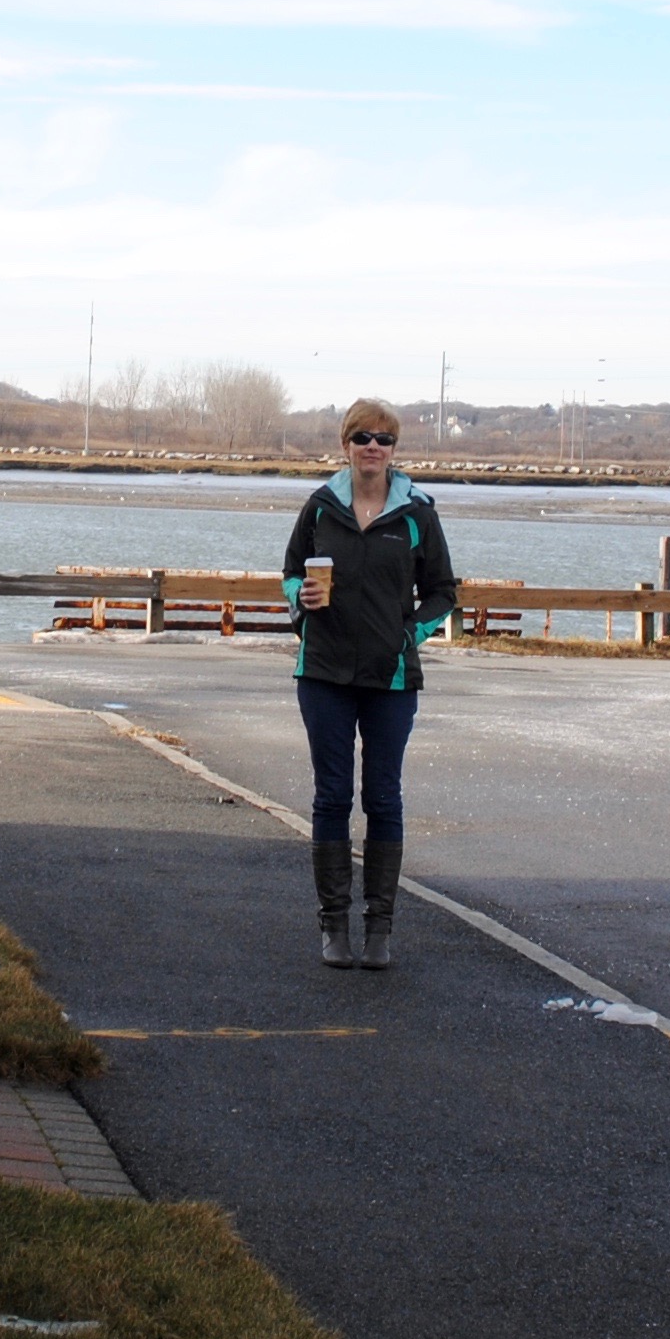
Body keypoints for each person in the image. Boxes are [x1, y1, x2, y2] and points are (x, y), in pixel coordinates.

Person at [282, 398, 458, 969]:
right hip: (324, 673)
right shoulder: (320, 508)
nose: (373, 447)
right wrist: (300, 603)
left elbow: (442, 591)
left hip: (391, 677)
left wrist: (413, 633)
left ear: (394, 449)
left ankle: (379, 928)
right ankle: (333, 926)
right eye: (362, 437)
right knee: (331, 797)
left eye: (384, 439)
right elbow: (290, 574)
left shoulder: (417, 514)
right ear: (345, 445)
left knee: (382, 798)